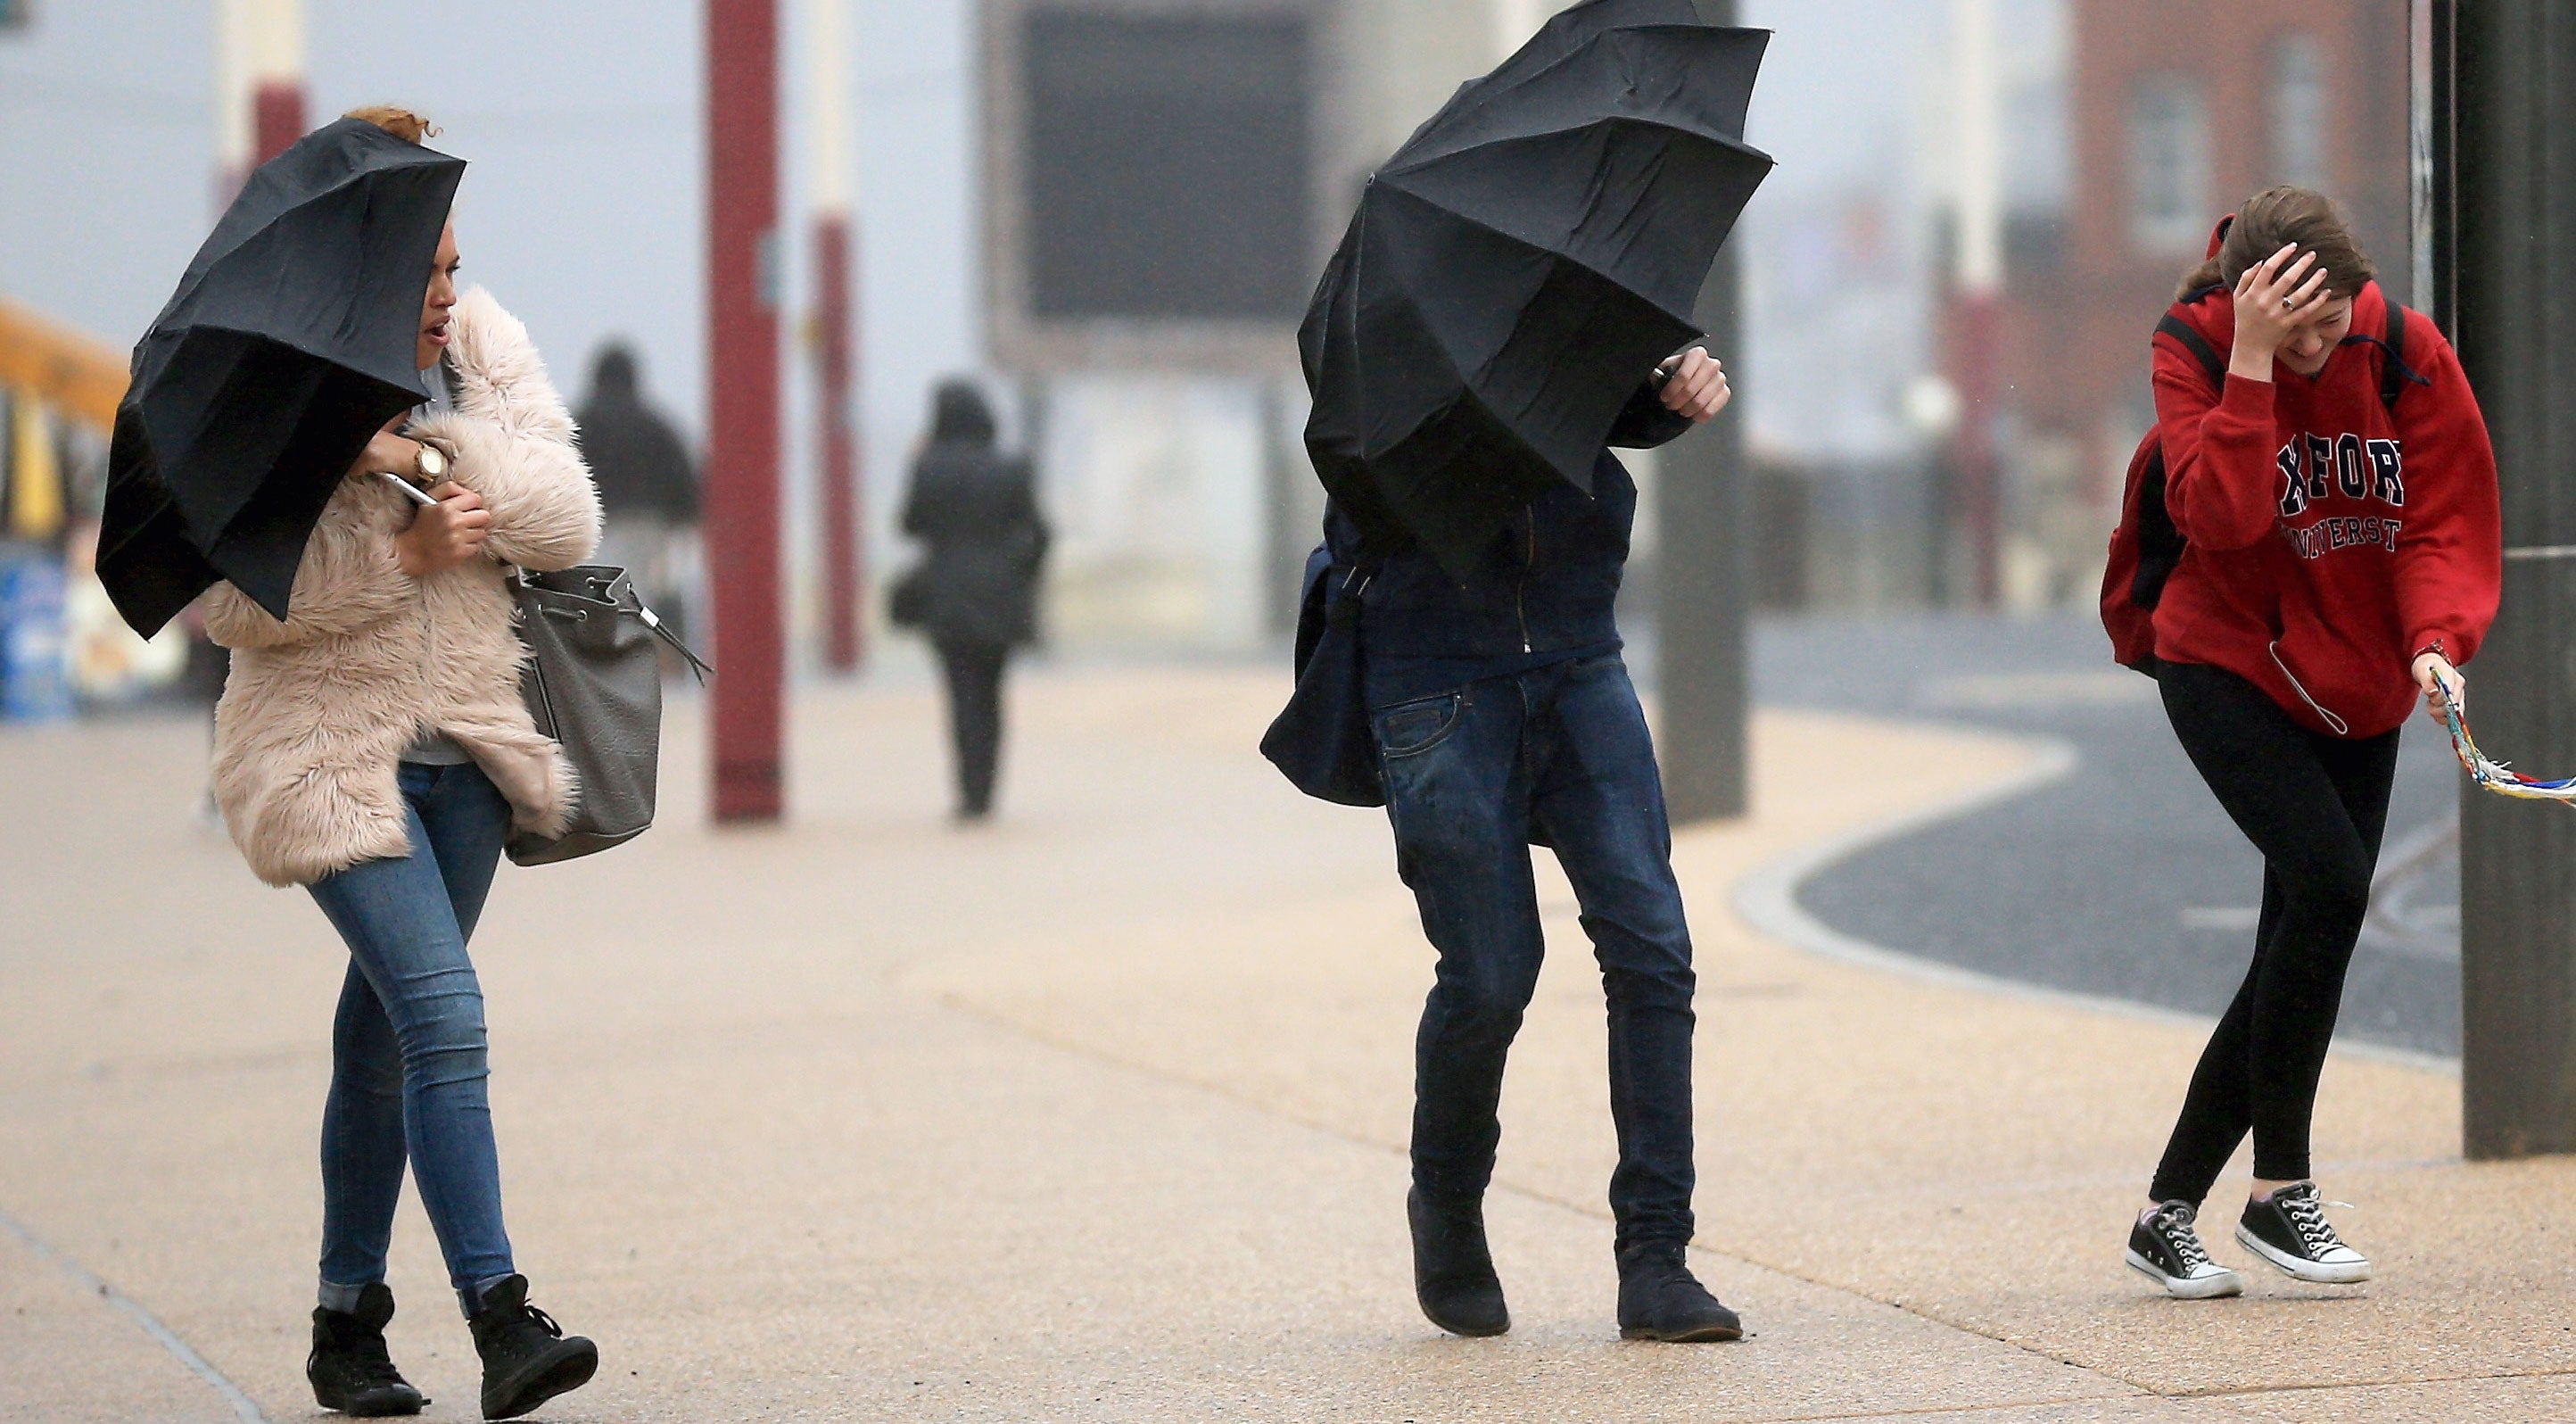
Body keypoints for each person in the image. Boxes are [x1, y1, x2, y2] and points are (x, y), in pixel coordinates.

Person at [201, 106, 604, 1419]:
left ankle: (344, 1326)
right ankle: (502, 1319)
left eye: (447, 267)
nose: (441, 295)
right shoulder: (264, 399)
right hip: (330, 758)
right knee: (444, 1018)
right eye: (416, 275)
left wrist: (423, 451)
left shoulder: (483, 351)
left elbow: (562, 512)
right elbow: (233, 610)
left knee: (383, 1043)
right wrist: (398, 551)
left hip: (471, 757)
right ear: (355, 275)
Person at [2119, 188, 2499, 1298]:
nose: (2319, 347)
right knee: (2331, 888)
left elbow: (2439, 514)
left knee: (2301, 937)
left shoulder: (2400, 347)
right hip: (2222, 660)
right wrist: (2247, 363)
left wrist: (2434, 639)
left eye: (2331, 324)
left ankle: (2164, 1211)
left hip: (2361, 676)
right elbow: (2222, 517)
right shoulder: (2191, 349)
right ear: (2247, 303)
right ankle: (2278, 1192)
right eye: (2297, 332)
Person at [1322, 346, 1738, 1342]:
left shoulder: (1570, 296)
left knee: (1651, 947)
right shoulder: (1378, 331)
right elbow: (1360, 489)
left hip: (1576, 652)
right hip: (1437, 675)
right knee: (1492, 973)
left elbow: (1603, 410)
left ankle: (1654, 1258)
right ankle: (1447, 1200)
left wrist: (1661, 388)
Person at [896, 380, 1049, 821]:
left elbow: (910, 525)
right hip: (1000, 597)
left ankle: (968, 794)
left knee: (960, 695)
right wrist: (1020, 572)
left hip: (946, 596)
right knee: (992, 693)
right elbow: (1040, 533)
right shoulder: (1011, 467)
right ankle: (987, 789)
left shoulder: (929, 466)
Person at [574, 342, 699, 642]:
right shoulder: (655, 424)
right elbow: (682, 476)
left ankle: (593, 647)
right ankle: (634, 648)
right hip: (645, 523)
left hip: (591, 523)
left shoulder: (580, 423)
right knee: (637, 591)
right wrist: (686, 520)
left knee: (590, 589)